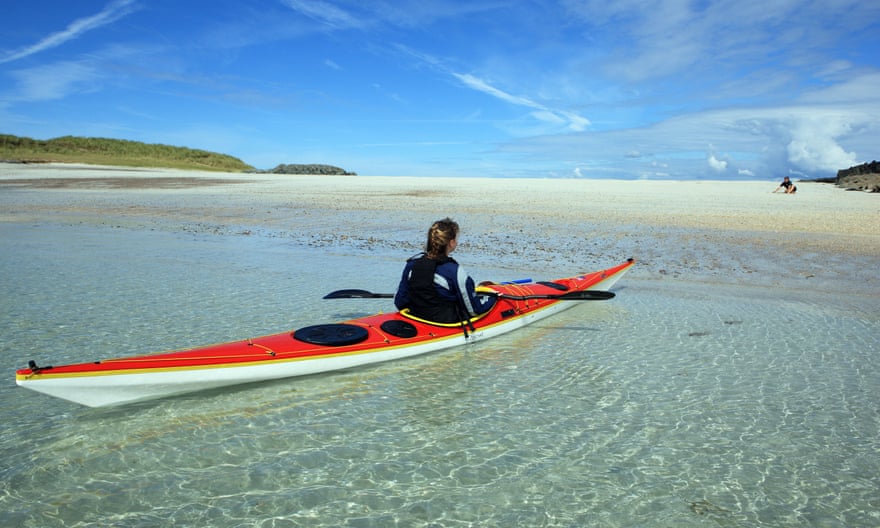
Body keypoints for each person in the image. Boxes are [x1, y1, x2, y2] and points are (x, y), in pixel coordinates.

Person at [394, 218, 495, 323]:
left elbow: (399, 302)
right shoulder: (456, 272)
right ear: (451, 243)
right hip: (444, 322)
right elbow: (475, 310)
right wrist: (493, 299)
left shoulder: (411, 264)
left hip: (416, 316)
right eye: (456, 238)